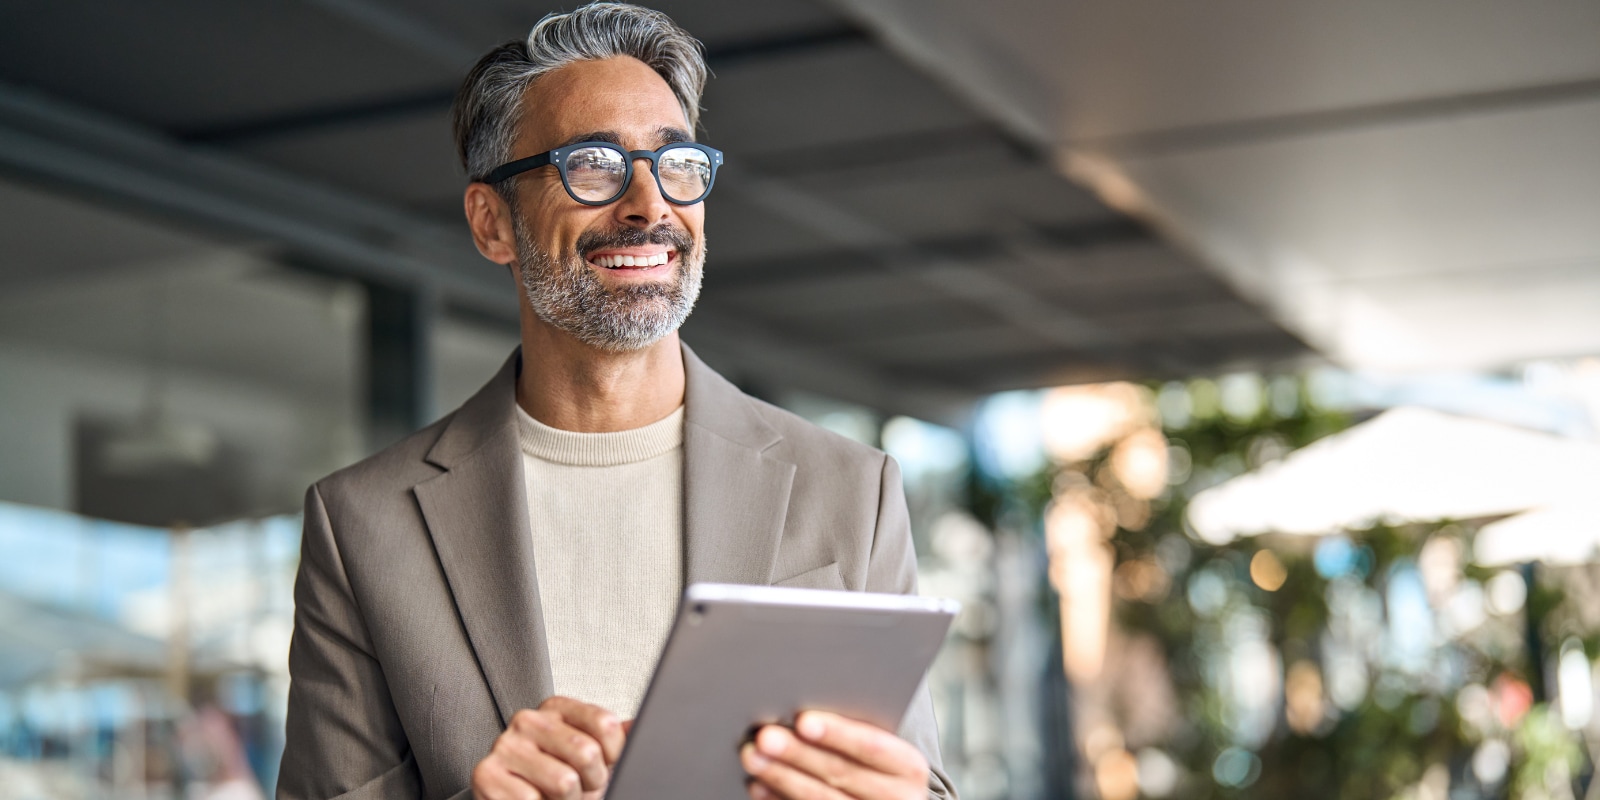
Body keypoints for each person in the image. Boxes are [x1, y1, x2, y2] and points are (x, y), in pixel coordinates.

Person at [276, 3, 955, 799]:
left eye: (678, 165)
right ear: (492, 221)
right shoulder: (363, 525)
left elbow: (918, 782)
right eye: (593, 163)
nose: (648, 205)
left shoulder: (851, 490)